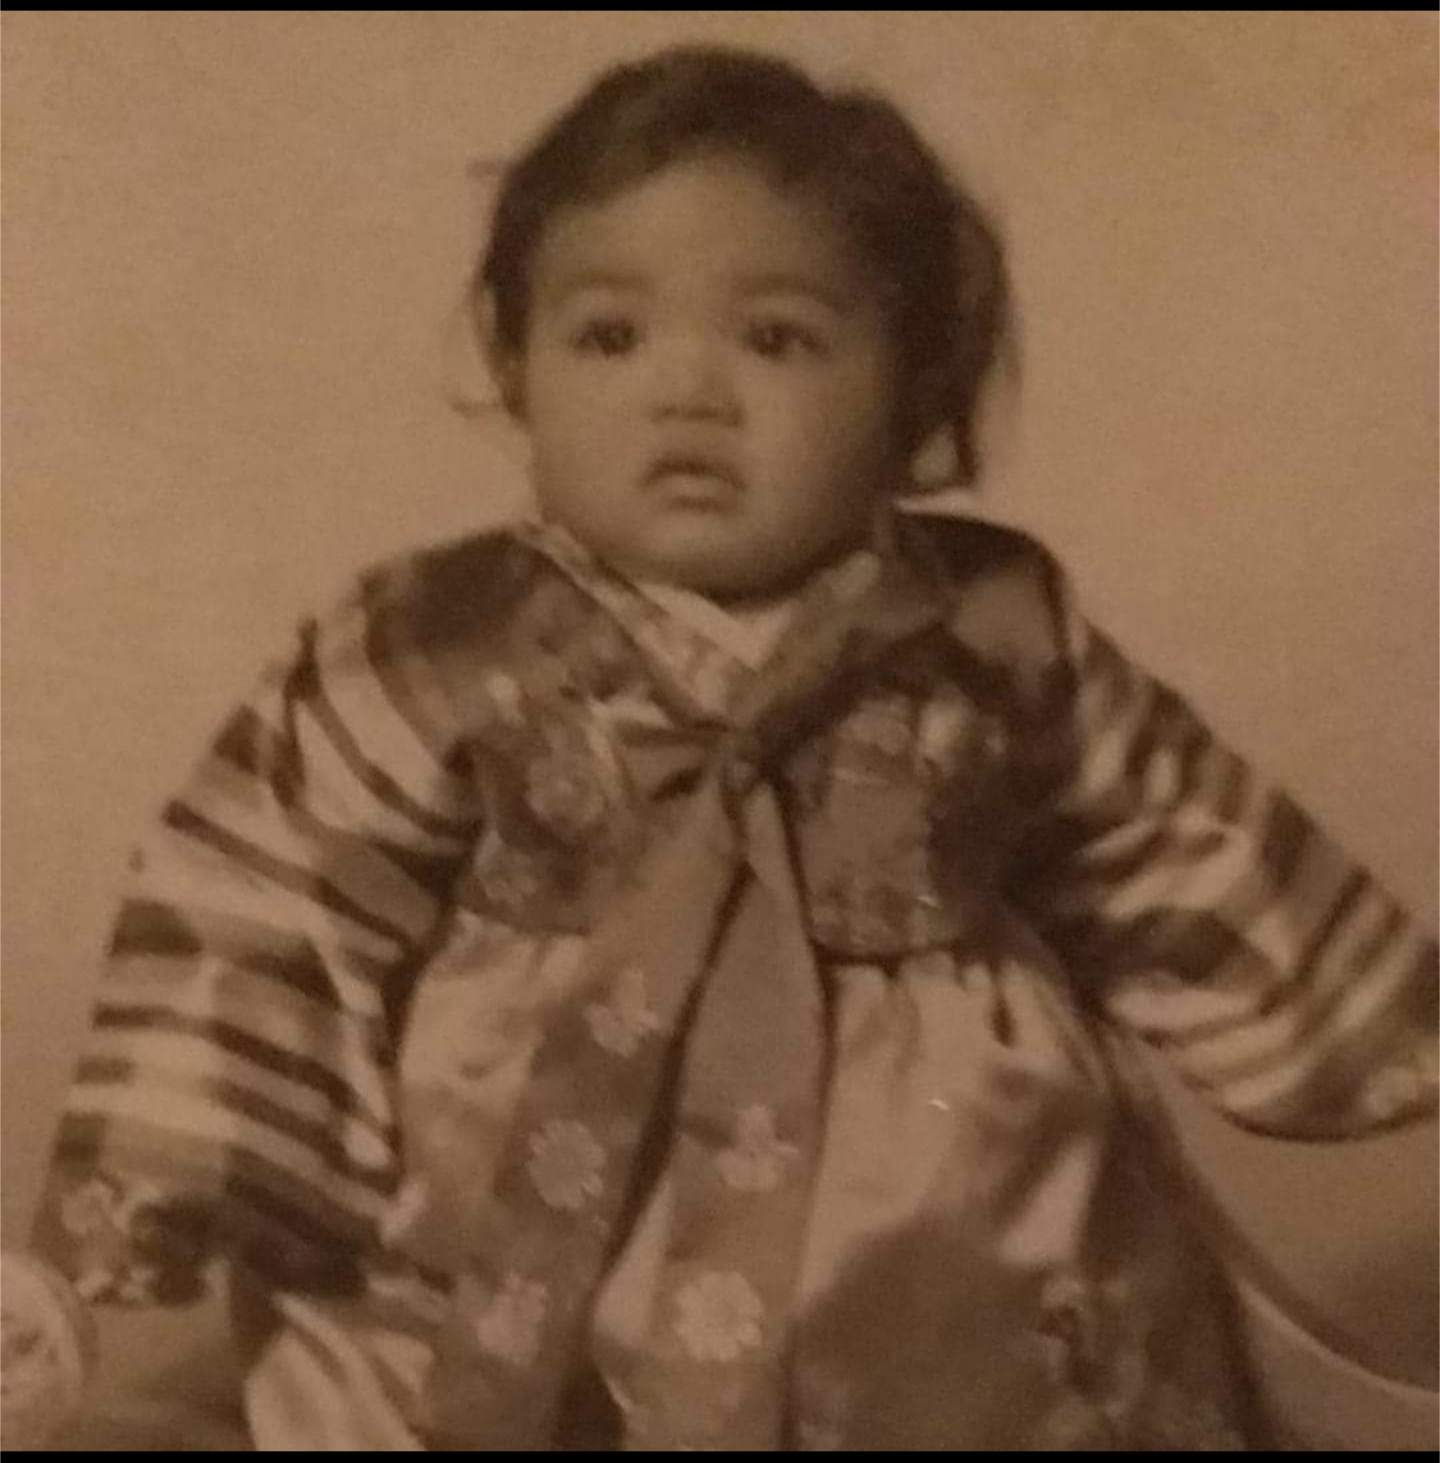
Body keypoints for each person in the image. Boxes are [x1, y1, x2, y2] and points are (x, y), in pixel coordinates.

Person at [12, 42, 1440, 1450]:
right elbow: (258, 905)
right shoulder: (434, 642)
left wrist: (1392, 1036)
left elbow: (1178, 841)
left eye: (779, 338)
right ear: (515, 364)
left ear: (909, 385)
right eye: (610, 335)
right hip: (542, 1197)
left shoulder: (990, 632)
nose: (687, 390)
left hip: (947, 1234)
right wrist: (134, 1233)